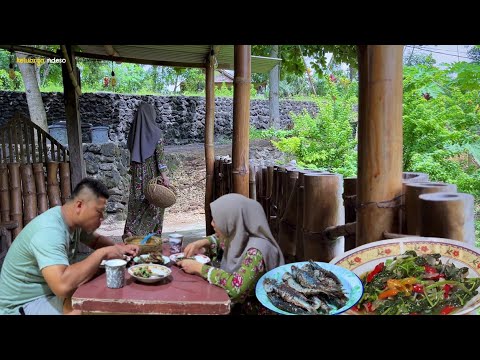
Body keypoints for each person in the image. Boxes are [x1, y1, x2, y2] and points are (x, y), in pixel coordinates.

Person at [0, 178, 140, 315]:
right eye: (99, 212)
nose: (102, 218)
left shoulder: (70, 220)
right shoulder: (49, 232)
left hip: (47, 293)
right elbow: (62, 286)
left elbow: (96, 240)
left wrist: (119, 249)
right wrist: (102, 254)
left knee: (98, 284)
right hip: (20, 305)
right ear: (79, 205)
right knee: (85, 307)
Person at [178, 193, 284, 314]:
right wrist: (203, 242)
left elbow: (235, 288)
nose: (212, 223)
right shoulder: (243, 234)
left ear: (232, 221)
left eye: (217, 219)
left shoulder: (256, 252)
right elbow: (223, 240)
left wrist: (200, 269)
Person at [123, 101, 170, 239]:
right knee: (154, 205)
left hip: (137, 176)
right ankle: (151, 238)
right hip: (152, 176)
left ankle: (131, 231)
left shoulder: (133, 134)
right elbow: (160, 160)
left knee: (136, 204)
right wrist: (165, 177)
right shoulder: (156, 134)